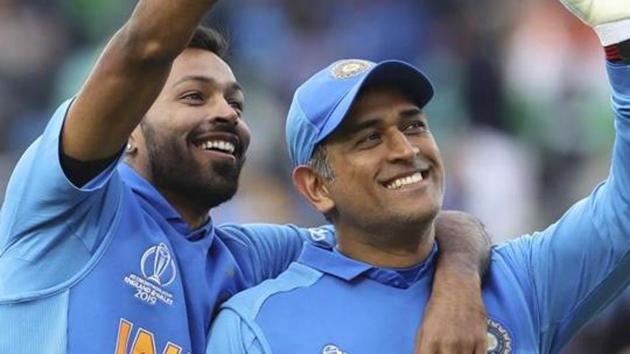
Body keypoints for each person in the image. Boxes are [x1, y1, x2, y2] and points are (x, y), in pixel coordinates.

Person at [0, 1, 493, 354]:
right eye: (195, 97)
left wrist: (458, 284)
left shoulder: (247, 256)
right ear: (126, 127)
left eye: (236, 103)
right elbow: (143, 48)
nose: (226, 114)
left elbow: (414, 227)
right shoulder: (70, 206)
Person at [207, 0, 630, 353]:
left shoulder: (520, 280)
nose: (407, 150)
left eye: (413, 126)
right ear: (316, 187)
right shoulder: (255, 326)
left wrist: (621, 34)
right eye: (369, 138)